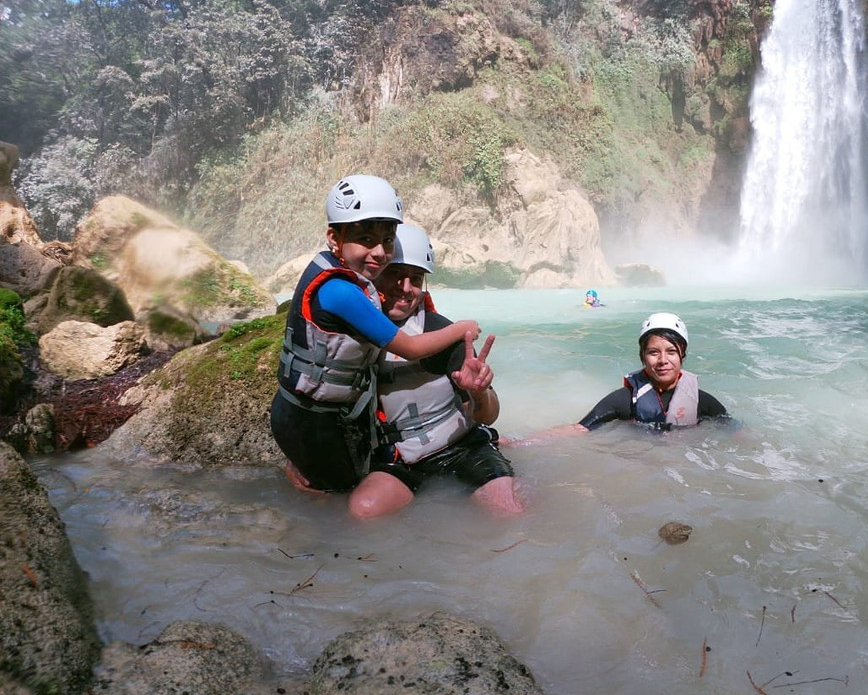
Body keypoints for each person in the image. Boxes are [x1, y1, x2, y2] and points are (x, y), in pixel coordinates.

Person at [270, 175, 481, 518]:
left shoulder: (336, 274)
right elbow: (410, 348)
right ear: (334, 238)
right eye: (365, 239)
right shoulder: (341, 293)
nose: (379, 252)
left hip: (303, 412)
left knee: (333, 496)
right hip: (313, 424)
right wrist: (462, 328)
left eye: (387, 240)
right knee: (334, 501)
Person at [348, 224, 523, 517]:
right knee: (363, 511)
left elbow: (488, 414)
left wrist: (477, 392)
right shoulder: (350, 335)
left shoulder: (443, 332)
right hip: (400, 457)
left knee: (507, 510)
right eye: (395, 274)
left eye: (415, 279)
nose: (405, 289)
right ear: (375, 273)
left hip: (462, 446)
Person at [509, 312, 733, 442]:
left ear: (682, 355)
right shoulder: (625, 399)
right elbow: (579, 428)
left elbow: (736, 430)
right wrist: (520, 444)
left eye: (671, 352)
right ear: (642, 357)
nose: (663, 360)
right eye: (653, 352)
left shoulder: (701, 401)